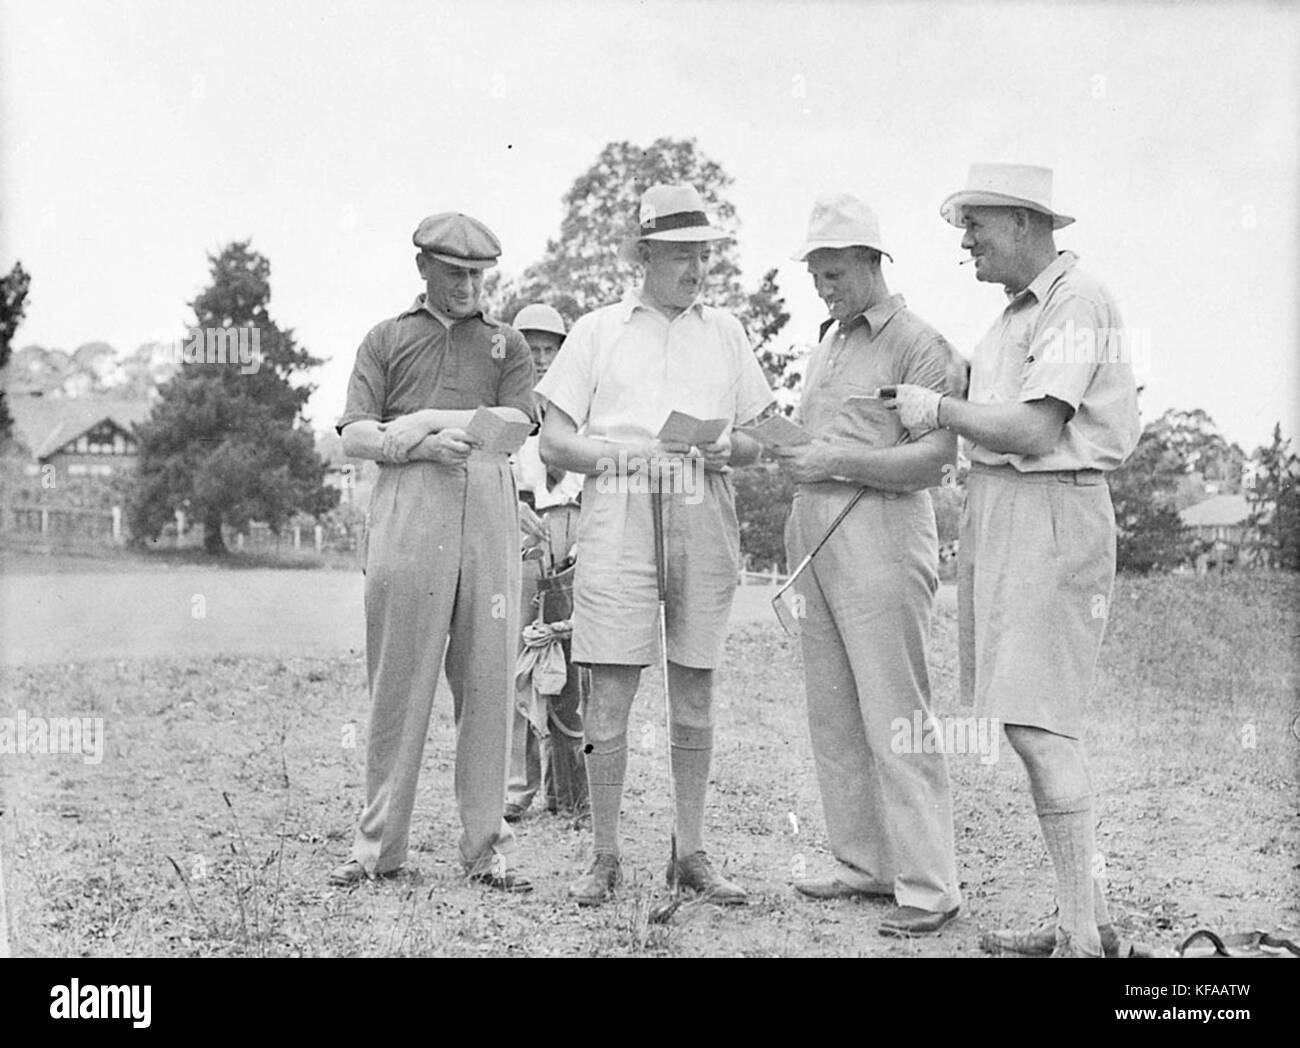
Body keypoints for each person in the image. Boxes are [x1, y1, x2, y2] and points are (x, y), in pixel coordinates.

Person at [884, 163, 1140, 956]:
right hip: (1009, 513)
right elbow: (998, 413)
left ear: (1024, 223)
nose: (966, 242)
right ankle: (1083, 922)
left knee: (1040, 726)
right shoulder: (1011, 320)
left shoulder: (1077, 300)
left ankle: (1081, 943)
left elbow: (1032, 430)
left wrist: (940, 409)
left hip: (1052, 508)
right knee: (1030, 722)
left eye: (976, 225)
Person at [535, 184, 775, 907]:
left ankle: (690, 852)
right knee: (609, 688)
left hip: (703, 496)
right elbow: (554, 439)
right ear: (643, 255)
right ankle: (604, 856)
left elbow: (762, 435)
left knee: (696, 684)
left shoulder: (726, 332)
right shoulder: (598, 330)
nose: (695, 268)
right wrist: (619, 457)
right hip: (621, 505)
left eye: (703, 254)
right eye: (679, 254)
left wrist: (732, 446)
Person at [772, 194, 963, 938]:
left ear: (874, 262)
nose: (825, 287)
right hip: (813, 535)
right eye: (817, 276)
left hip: (882, 535)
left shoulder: (921, 344)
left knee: (898, 712)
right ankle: (864, 863)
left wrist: (836, 459)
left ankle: (930, 885)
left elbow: (934, 458)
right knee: (835, 712)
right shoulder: (827, 342)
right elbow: (819, 438)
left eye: (836, 273)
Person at [329, 211, 537, 892]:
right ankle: (377, 848)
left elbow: (515, 423)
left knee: (485, 679)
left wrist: (423, 418)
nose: (468, 287)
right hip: (409, 503)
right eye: (455, 274)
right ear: (423, 268)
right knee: (399, 680)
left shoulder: (508, 346)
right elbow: (356, 434)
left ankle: (485, 849)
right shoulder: (386, 339)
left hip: (487, 504)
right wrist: (413, 441)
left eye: (479, 275)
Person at [505, 303, 588, 824]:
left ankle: (569, 788)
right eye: (529, 350)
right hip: (523, 531)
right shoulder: (509, 412)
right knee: (520, 658)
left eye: (547, 349)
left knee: (573, 657)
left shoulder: (579, 409)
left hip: (575, 529)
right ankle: (518, 786)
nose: (539, 359)